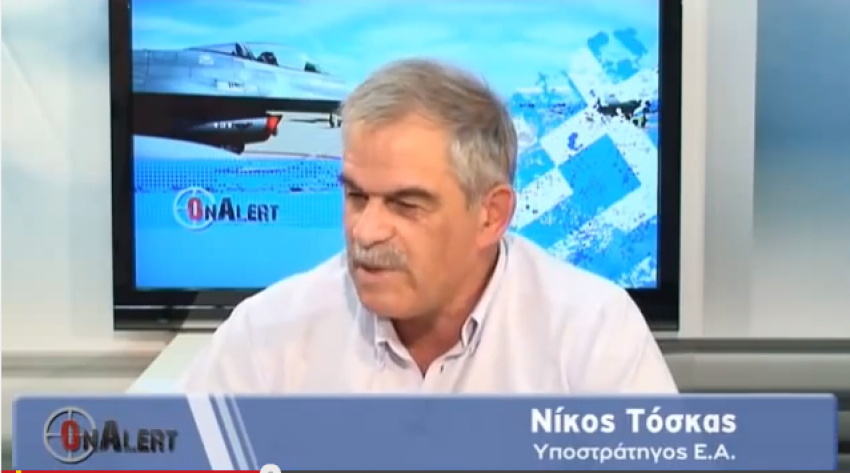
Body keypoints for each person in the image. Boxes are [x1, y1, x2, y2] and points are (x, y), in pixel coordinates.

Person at [179, 59, 678, 394]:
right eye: (356, 196)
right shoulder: (265, 335)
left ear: (491, 215)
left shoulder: (593, 333)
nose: (366, 232)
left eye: (406, 204)